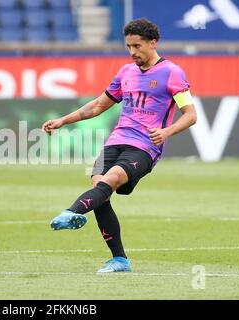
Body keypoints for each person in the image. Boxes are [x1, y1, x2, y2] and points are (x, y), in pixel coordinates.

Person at [41, 18, 197, 273]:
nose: (133, 52)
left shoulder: (172, 72)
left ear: (153, 42)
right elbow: (97, 106)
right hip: (115, 141)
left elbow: (191, 115)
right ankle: (120, 260)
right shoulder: (125, 72)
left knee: (110, 180)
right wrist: (63, 120)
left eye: (137, 46)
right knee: (99, 191)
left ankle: (71, 212)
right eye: (128, 46)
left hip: (145, 146)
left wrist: (166, 131)